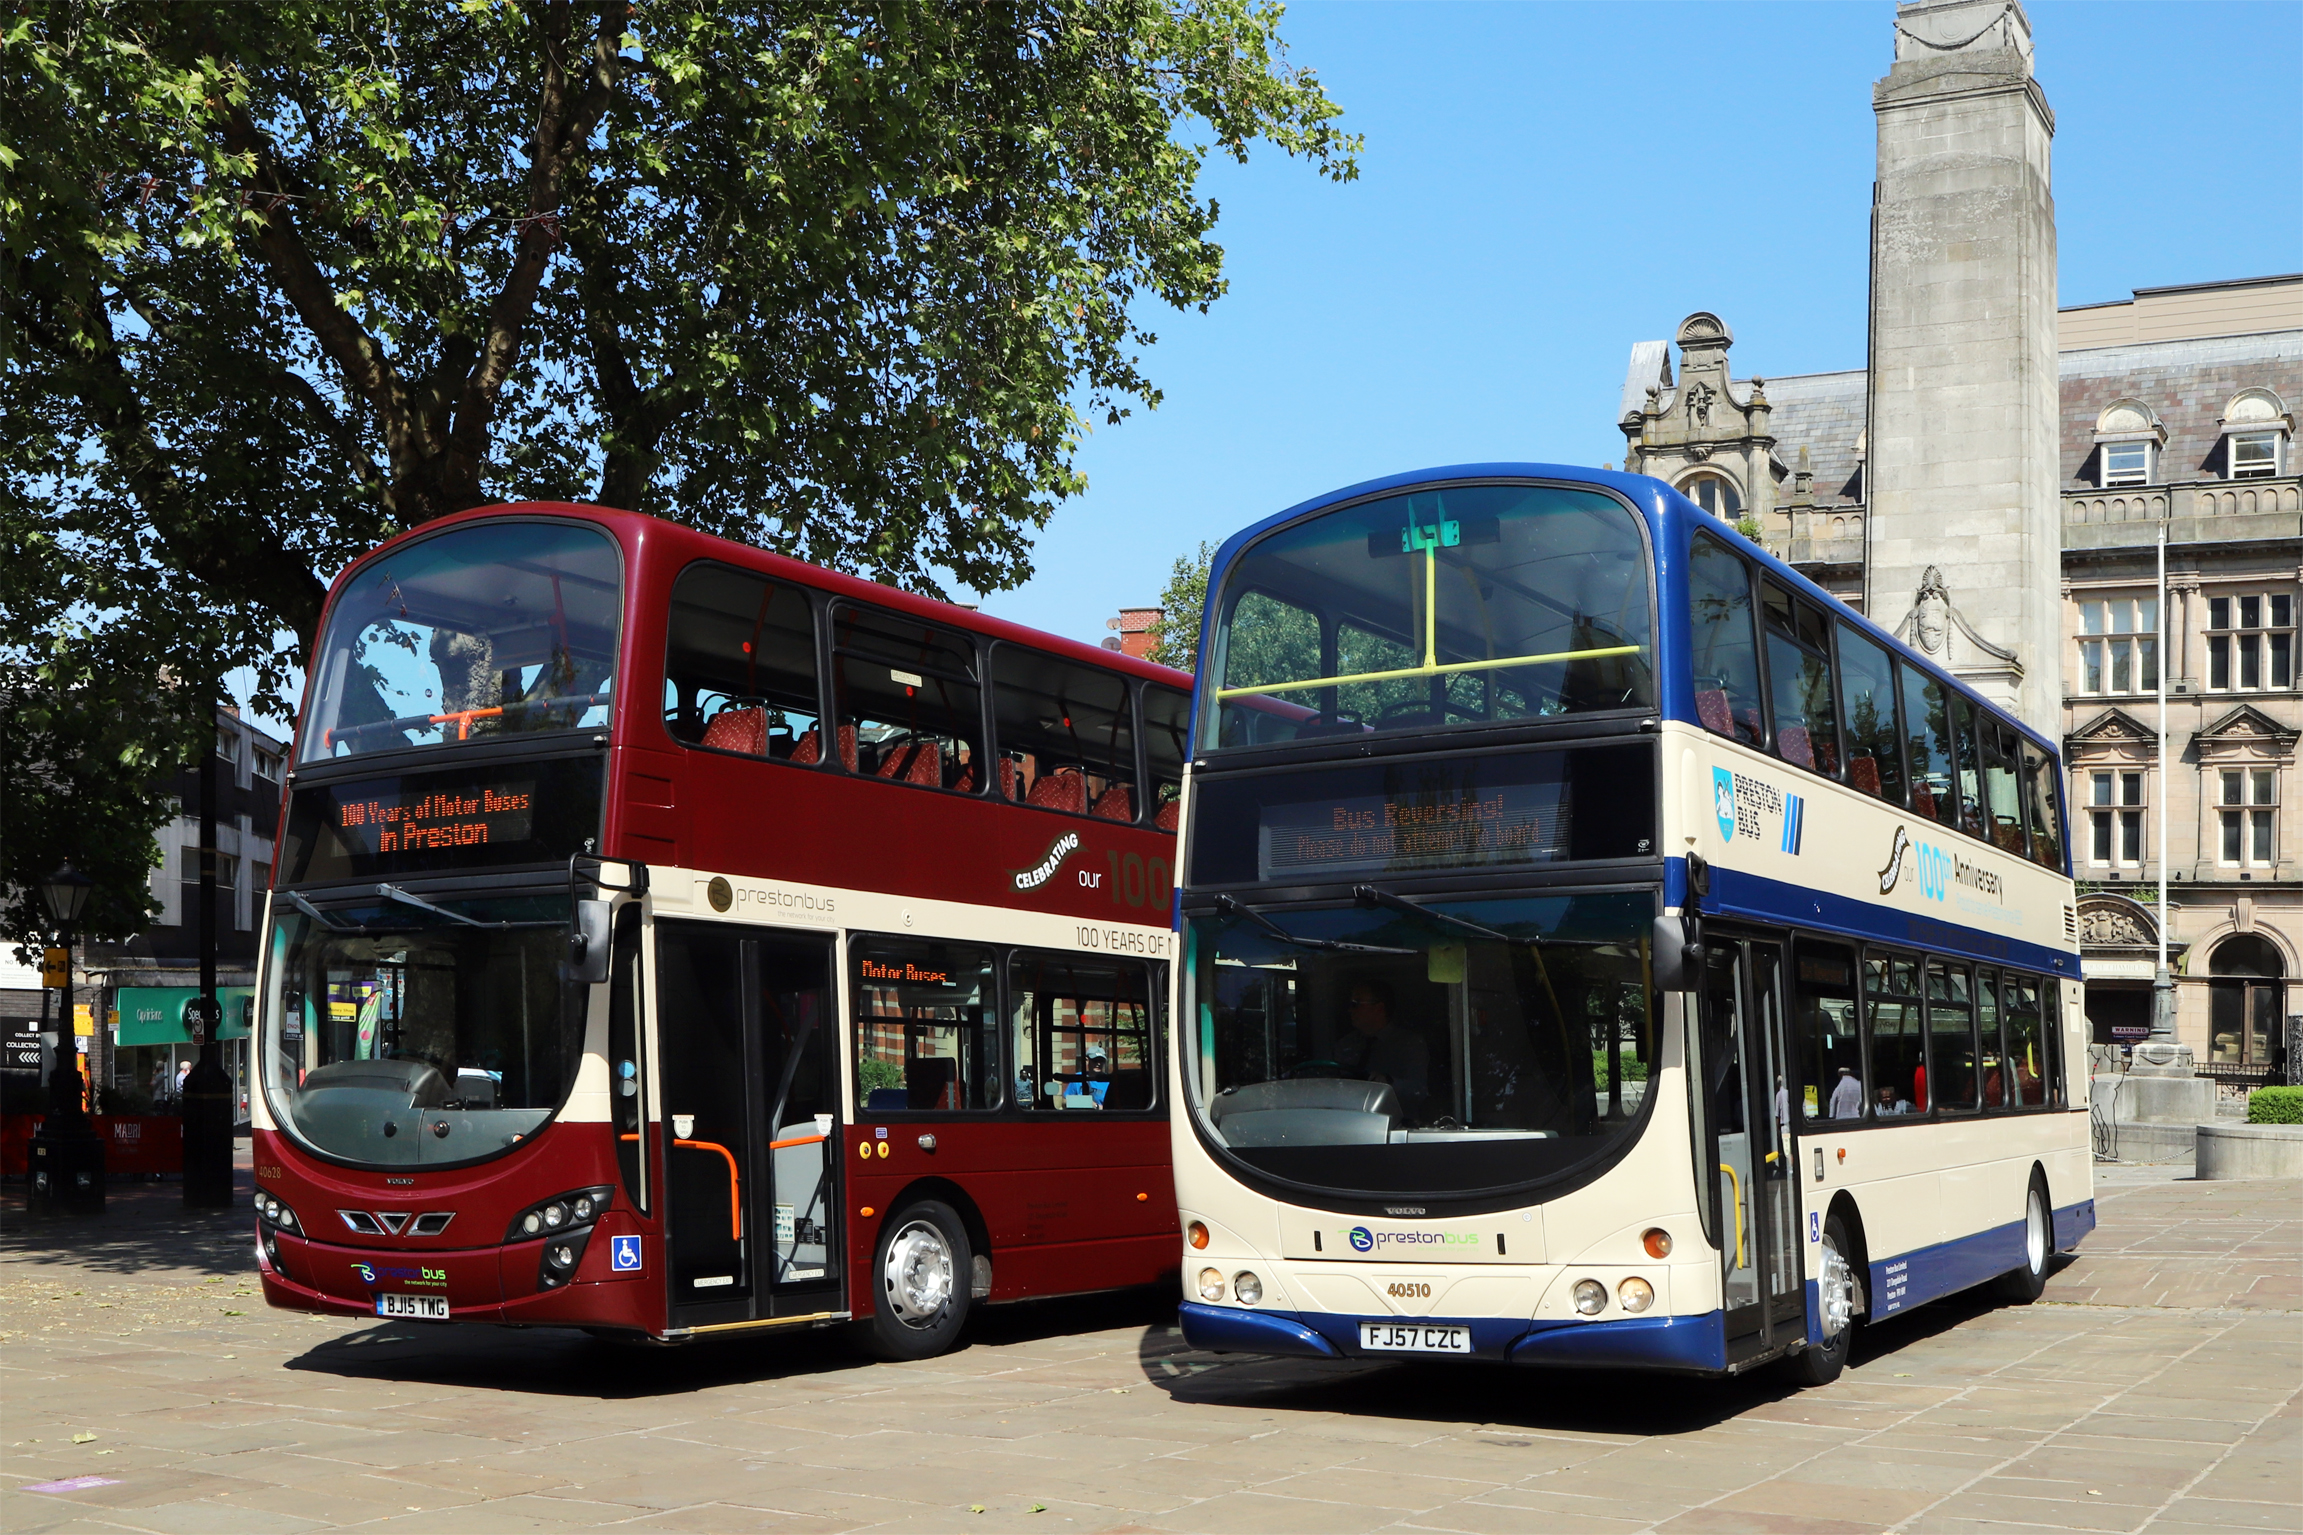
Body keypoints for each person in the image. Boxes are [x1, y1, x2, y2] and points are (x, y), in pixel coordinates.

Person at [1335, 979, 1428, 1110]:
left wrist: (1388, 1083)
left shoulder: (1409, 1044)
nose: (1350, 1010)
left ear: (1379, 1008)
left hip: (1398, 1124)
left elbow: (1418, 1091)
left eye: (1356, 1004)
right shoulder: (1346, 1045)